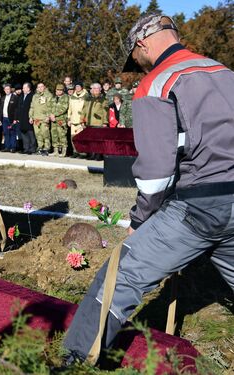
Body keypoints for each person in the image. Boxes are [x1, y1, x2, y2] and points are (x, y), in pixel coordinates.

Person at [63, 13, 234, 366]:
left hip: (197, 208)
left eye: (135, 58)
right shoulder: (225, 74)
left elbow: (156, 175)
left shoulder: (157, 83)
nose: (137, 66)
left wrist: (139, 221)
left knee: (119, 276)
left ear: (142, 45)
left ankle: (76, 359)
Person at [81, 82, 108, 160]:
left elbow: (105, 111)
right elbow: (84, 110)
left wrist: (105, 122)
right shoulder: (88, 99)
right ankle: (91, 154)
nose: (95, 90)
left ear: (100, 89)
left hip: (98, 123)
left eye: (97, 88)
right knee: (90, 140)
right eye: (93, 88)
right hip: (89, 122)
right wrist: (82, 120)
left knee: (98, 140)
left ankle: (98, 155)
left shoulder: (103, 99)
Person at [29, 82, 52, 155]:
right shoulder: (35, 96)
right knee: (38, 134)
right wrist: (31, 117)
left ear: (44, 87)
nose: (40, 88)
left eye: (41, 87)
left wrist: (48, 116)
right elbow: (32, 107)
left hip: (44, 119)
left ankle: (47, 148)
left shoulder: (48, 95)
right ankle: (40, 148)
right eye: (38, 87)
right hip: (36, 119)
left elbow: (50, 107)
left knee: (45, 134)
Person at [67, 81, 88, 158]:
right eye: (76, 87)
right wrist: (69, 119)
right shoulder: (72, 96)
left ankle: (83, 153)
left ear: (82, 87)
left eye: (79, 86)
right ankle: (75, 151)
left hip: (81, 121)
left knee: (81, 138)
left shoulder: (86, 96)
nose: (77, 88)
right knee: (73, 137)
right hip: (73, 120)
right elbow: (70, 109)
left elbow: (87, 109)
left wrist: (84, 120)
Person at [49, 83, 69, 157]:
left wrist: (54, 114)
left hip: (61, 120)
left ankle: (64, 151)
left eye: (61, 90)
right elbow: (49, 107)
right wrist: (50, 115)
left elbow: (64, 108)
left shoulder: (65, 97)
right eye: (58, 90)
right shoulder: (53, 98)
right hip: (53, 120)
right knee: (54, 135)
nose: (59, 91)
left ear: (63, 90)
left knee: (62, 135)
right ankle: (56, 151)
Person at [15, 82, 35, 154]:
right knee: (23, 134)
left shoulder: (32, 96)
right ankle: (26, 148)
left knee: (30, 134)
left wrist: (31, 117)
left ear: (28, 88)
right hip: (21, 118)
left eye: (24, 88)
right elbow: (18, 107)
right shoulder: (21, 96)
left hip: (29, 118)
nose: (22, 89)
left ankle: (32, 149)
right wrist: (17, 117)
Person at [0, 83, 18, 152]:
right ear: (4, 90)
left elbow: (16, 109)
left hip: (12, 119)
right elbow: (1, 109)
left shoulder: (14, 97)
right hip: (4, 118)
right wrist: (0, 119)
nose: (7, 90)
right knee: (6, 133)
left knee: (12, 133)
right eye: (5, 89)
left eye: (8, 89)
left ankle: (13, 147)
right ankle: (7, 147)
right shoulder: (3, 98)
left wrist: (15, 119)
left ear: (10, 90)